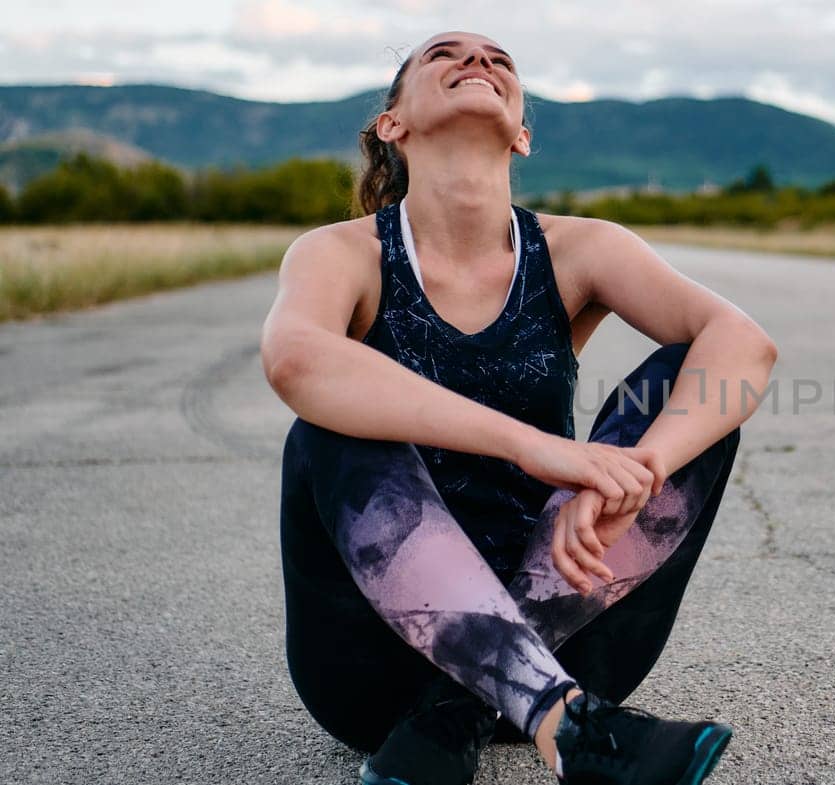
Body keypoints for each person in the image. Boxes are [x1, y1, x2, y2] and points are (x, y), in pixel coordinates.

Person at [260, 29, 779, 785]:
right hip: (375, 670)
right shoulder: (341, 253)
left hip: (569, 630)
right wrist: (532, 446)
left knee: (693, 393)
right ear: (391, 124)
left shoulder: (580, 248)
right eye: (445, 55)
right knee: (331, 422)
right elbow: (296, 358)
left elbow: (745, 346)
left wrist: (640, 471)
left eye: (499, 59)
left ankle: (466, 716)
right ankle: (574, 730)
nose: (479, 61)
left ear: (523, 134)